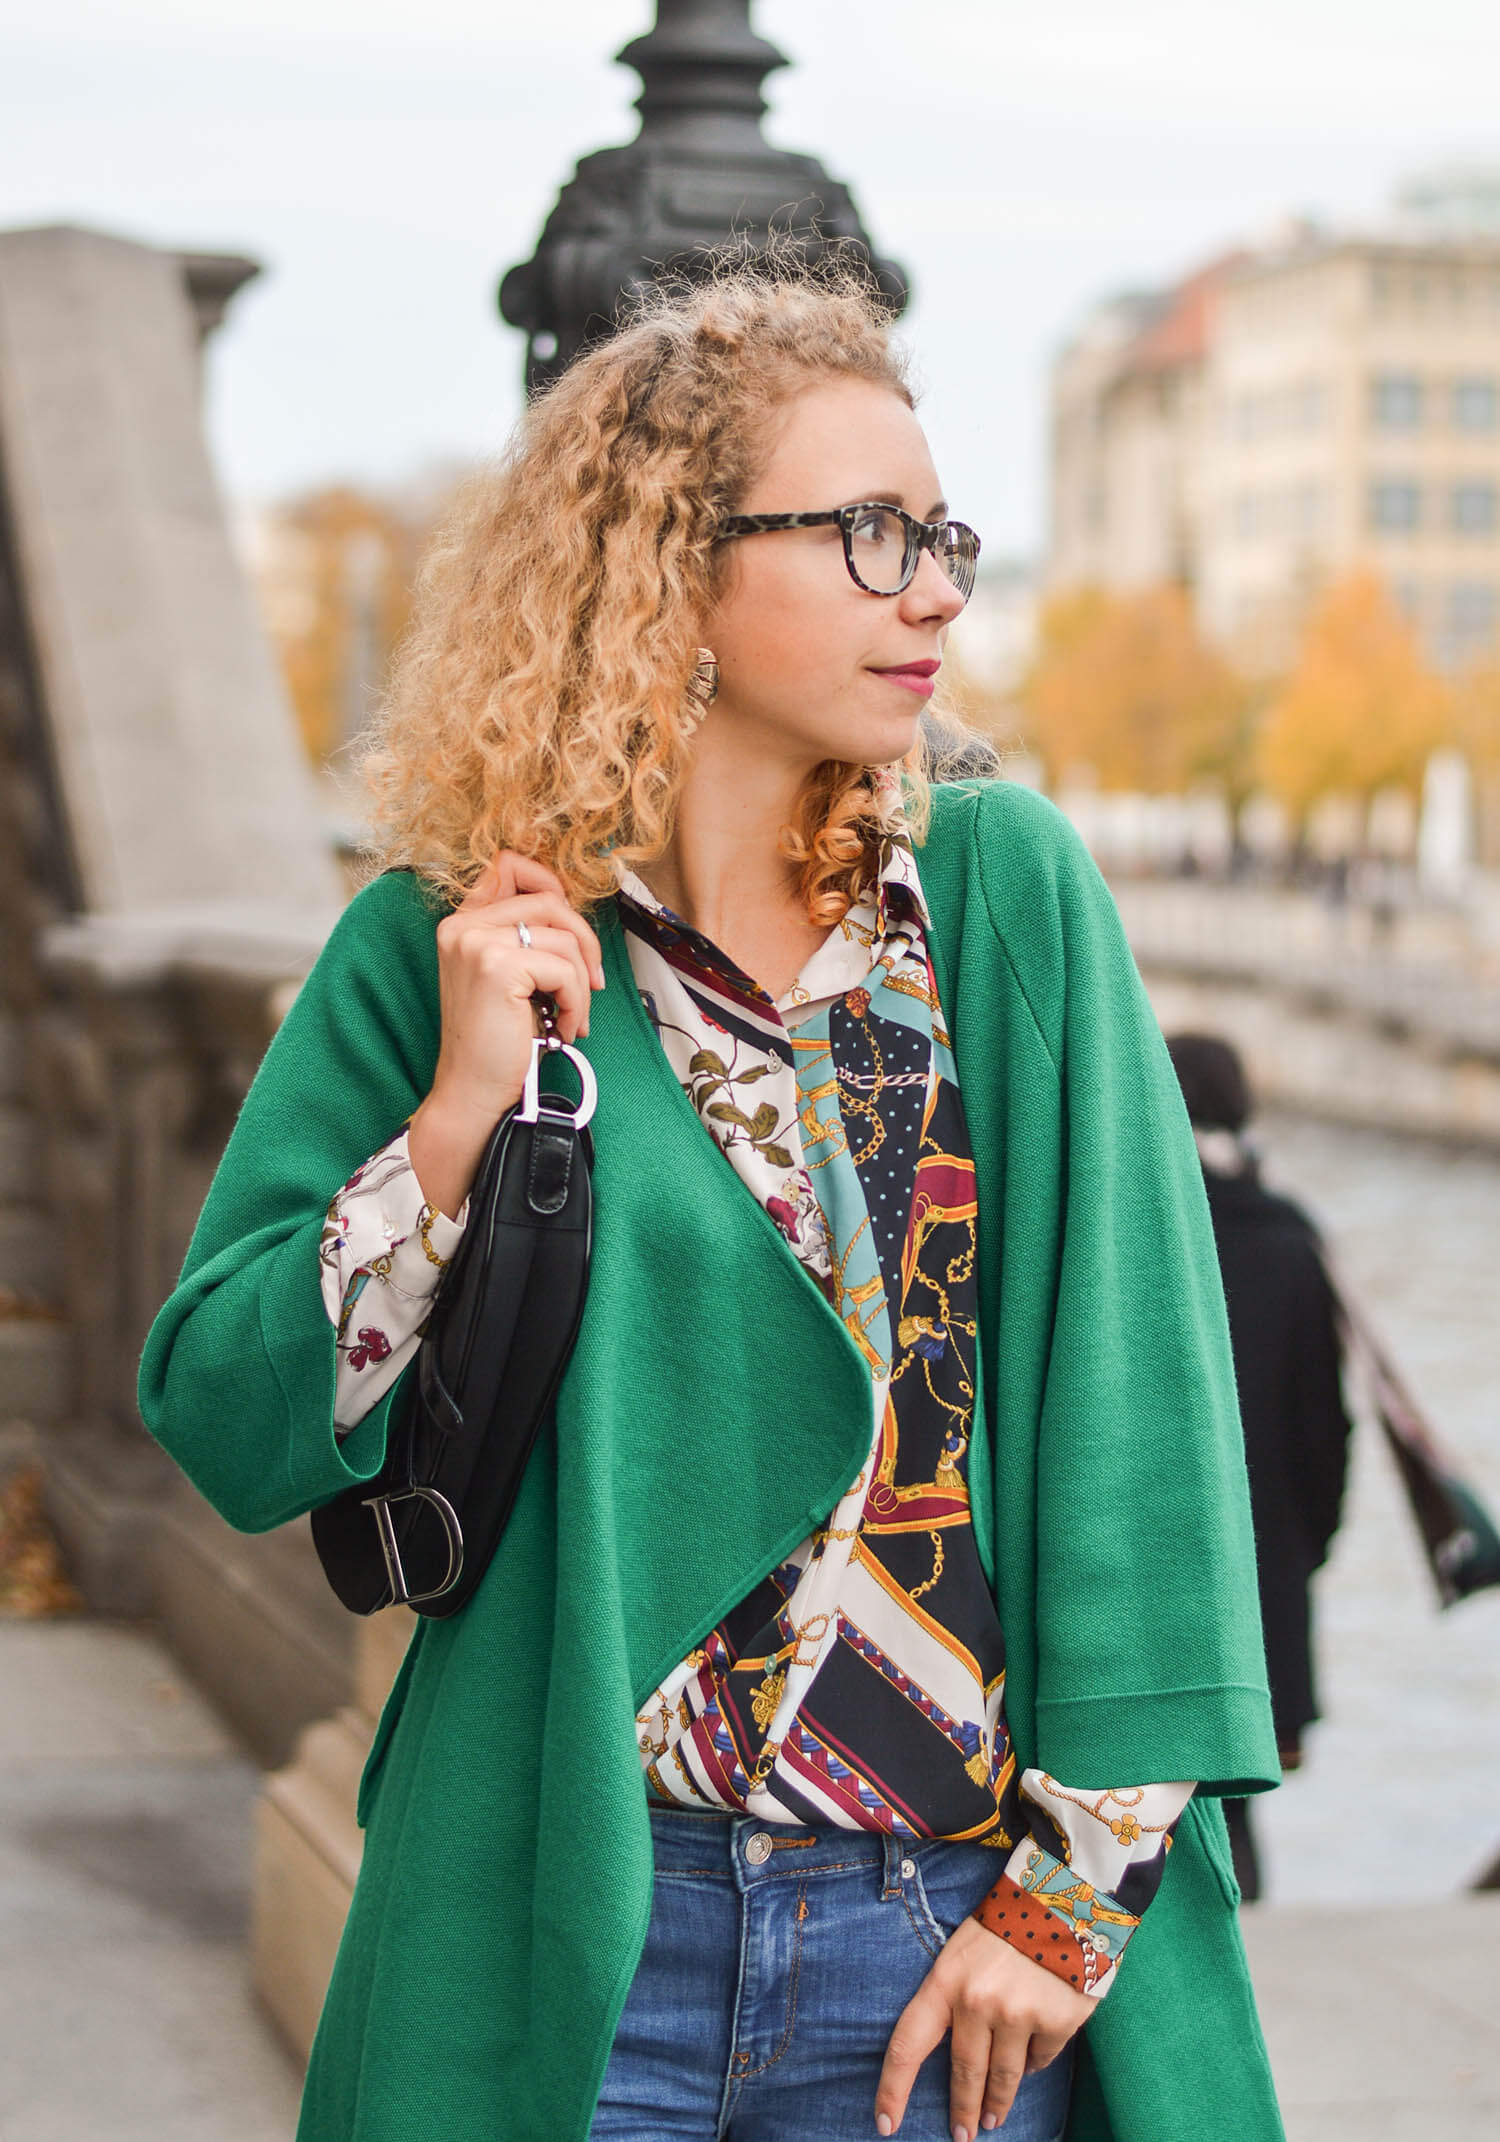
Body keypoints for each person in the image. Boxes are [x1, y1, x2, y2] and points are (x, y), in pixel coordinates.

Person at [139, 258, 1281, 2142]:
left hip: (940, 1943)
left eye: (942, 533)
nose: (935, 586)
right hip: (569, 1917)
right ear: (668, 567)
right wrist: (449, 1126)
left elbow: (1148, 1419)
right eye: (865, 532)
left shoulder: (995, 899)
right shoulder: (447, 940)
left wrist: (1068, 1913)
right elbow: (233, 1416)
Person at [1165, 1033, 1353, 1902]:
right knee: (1238, 1809)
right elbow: (1327, 1433)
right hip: (1263, 1572)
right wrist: (1300, 1555)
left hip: (1154, 1560)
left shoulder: (1138, 1226)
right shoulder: (1291, 1239)